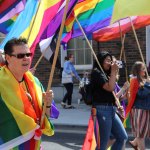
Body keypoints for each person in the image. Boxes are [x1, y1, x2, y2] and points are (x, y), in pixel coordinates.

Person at [0, 38, 55, 150]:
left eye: (28, 54)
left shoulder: (35, 82)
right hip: (8, 145)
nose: (26, 58)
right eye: (20, 55)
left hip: (33, 144)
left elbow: (46, 116)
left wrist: (47, 104)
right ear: (8, 58)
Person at [91, 51, 128, 150]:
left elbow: (112, 93)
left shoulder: (106, 74)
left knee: (122, 137)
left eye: (111, 61)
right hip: (102, 109)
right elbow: (110, 87)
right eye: (107, 60)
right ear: (101, 61)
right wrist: (113, 71)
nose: (110, 63)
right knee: (102, 143)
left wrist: (118, 105)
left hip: (111, 109)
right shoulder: (96, 72)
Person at [126, 61, 150, 150]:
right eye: (143, 69)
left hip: (146, 109)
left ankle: (134, 143)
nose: (145, 71)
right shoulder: (134, 81)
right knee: (140, 134)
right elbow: (141, 95)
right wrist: (148, 84)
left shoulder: (144, 81)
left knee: (143, 132)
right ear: (138, 71)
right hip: (139, 110)